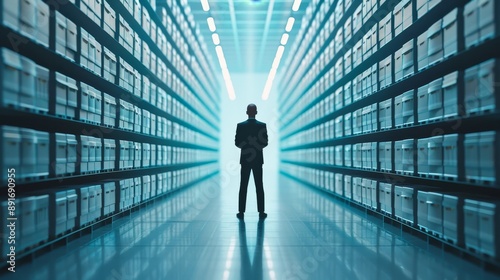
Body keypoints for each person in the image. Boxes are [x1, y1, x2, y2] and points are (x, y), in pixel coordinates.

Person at [235, 104, 268, 219]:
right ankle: (261, 211)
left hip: (245, 159)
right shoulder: (262, 125)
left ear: (246, 112)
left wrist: (247, 147)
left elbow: (237, 142)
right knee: (259, 185)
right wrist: (255, 146)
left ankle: (241, 211)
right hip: (258, 159)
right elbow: (265, 142)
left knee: (243, 185)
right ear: (256, 112)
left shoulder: (240, 126)